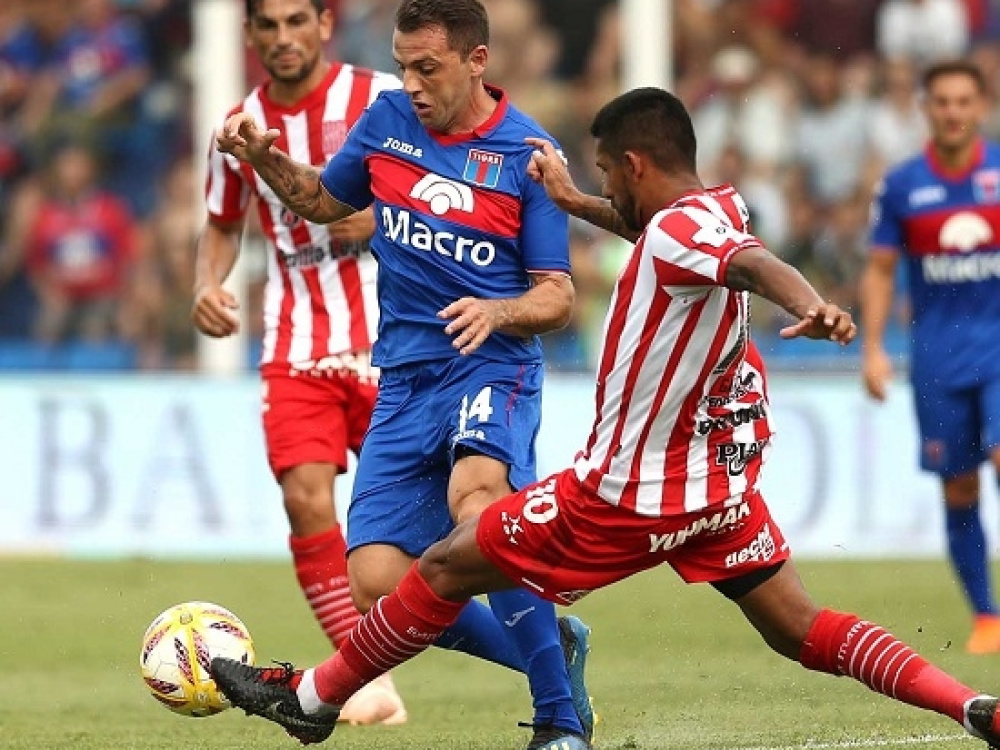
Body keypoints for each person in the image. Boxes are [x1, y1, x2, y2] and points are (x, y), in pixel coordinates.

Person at [211, 86, 1000, 749]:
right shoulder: (713, 206)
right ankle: (968, 706)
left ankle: (316, 700)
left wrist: (811, 304)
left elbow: (754, 265)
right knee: (800, 627)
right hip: (716, 493)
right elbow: (673, 236)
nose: (607, 189)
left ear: (635, 164)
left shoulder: (688, 231)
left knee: (449, 562)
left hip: (623, 495)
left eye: (607, 175)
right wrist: (574, 202)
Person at [207, 1, 594, 748]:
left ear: (476, 61)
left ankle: (558, 721)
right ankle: (551, 645)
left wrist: (500, 310)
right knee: (378, 582)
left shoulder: (527, 154)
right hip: (405, 378)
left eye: (427, 68)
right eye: (402, 67)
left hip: (492, 366)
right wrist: (263, 158)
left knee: (478, 508)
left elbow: (558, 295)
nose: (411, 84)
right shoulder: (387, 121)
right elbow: (322, 201)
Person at [191, 0, 408, 725]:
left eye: (296, 21)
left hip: (393, 338)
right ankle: (365, 681)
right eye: (268, 25)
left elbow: (440, 193)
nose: (282, 38)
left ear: (325, 23)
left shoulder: (380, 98)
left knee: (444, 523)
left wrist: (378, 218)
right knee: (304, 497)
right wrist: (206, 284)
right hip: (296, 342)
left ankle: (541, 649)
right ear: (249, 34)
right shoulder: (237, 126)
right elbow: (222, 224)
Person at [861, 59, 1000, 655]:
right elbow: (880, 269)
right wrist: (872, 348)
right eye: (942, 101)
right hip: (938, 362)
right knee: (960, 488)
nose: (952, 112)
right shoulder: (901, 186)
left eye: (963, 101)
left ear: (981, 106)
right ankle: (987, 617)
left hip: (998, 350)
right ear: (926, 109)